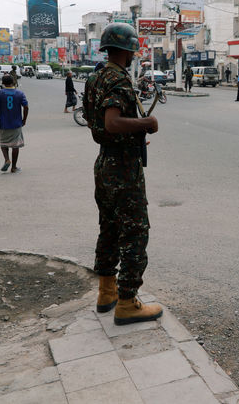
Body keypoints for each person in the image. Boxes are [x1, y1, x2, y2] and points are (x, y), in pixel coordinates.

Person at [81, 22, 163, 325]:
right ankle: (128, 302)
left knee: (110, 228)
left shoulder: (96, 78)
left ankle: (107, 291)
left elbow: (100, 125)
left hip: (104, 163)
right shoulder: (118, 80)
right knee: (135, 232)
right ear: (128, 50)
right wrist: (145, 124)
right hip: (122, 168)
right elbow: (113, 122)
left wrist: (132, 134)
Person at [0, 74, 28, 174]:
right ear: (13, 82)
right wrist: (24, 119)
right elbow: (26, 107)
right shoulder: (19, 93)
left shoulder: (0, 93)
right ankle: (14, 167)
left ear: (3, 83)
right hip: (16, 124)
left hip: (4, 123)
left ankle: (7, 159)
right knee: (15, 146)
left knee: (4, 143)